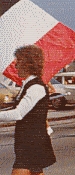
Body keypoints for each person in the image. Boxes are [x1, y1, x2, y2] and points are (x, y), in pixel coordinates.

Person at [0, 45, 56, 174]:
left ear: (28, 64)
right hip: (28, 141)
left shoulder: (36, 87)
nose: (15, 65)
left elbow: (19, 113)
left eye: (18, 61)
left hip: (32, 143)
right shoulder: (28, 85)